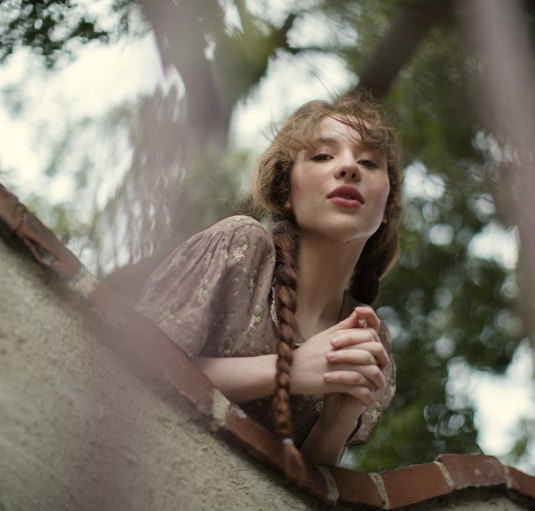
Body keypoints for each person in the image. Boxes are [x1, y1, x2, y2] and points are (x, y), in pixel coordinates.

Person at [135, 92, 403, 479]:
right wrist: (288, 369)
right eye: (323, 156)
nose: (348, 167)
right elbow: (136, 361)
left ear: (387, 203)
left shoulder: (369, 342)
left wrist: (335, 424)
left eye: (368, 161)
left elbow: (305, 491)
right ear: (285, 190)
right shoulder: (241, 247)